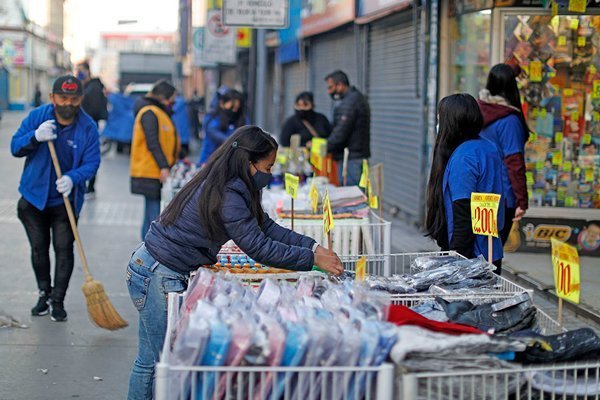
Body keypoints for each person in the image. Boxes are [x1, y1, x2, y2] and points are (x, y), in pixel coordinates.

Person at [126, 126, 344, 399]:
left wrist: (313, 246)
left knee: (159, 357)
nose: (270, 172)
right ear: (249, 163)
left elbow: (266, 228)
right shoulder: (229, 192)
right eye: (268, 166)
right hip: (156, 273)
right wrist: (312, 261)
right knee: (153, 360)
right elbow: (258, 246)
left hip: (160, 268)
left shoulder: (235, 184)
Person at [10, 75, 101, 321]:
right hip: (33, 200)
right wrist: (34, 137)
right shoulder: (38, 117)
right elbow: (14, 147)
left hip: (65, 203)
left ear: (80, 99)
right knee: (39, 249)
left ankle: (58, 300)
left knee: (64, 250)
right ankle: (44, 294)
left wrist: (73, 177)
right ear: (52, 97)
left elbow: (93, 162)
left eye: (73, 99)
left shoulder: (87, 127)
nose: (68, 104)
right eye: (62, 98)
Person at [425, 94, 505, 273]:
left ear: (450, 121)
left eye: (440, 118)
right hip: (491, 249)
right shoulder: (488, 147)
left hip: (471, 257)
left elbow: (462, 212)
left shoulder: (465, 157)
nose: (438, 124)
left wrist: (457, 261)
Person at [478, 63, 530, 245]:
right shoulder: (509, 120)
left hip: (479, 193)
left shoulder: (478, 110)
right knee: (494, 254)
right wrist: (521, 201)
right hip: (503, 197)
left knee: (482, 254)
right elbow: (514, 162)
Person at [130, 80, 180, 240]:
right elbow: (152, 142)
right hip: (150, 171)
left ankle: (147, 249)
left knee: (151, 213)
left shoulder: (159, 112)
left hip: (155, 170)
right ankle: (148, 252)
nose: (174, 103)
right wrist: (164, 166)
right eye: (172, 98)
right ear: (164, 98)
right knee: (153, 215)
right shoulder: (150, 113)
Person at [324, 70, 371, 186]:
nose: (329, 91)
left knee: (352, 197)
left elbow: (341, 132)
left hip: (351, 159)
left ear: (340, 85)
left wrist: (324, 147)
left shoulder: (350, 102)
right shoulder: (354, 98)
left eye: (330, 87)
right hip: (354, 156)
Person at [76, 61, 108, 199]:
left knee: (90, 156)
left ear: (88, 71)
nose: (79, 73)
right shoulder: (85, 86)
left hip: (89, 127)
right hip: (82, 126)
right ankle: (84, 186)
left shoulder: (93, 87)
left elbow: (92, 109)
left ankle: (90, 188)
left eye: (81, 70)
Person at [197, 89, 246, 166]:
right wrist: (237, 143)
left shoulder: (239, 120)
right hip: (208, 163)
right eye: (231, 107)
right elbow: (219, 136)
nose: (234, 111)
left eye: (237, 109)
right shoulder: (213, 119)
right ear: (221, 104)